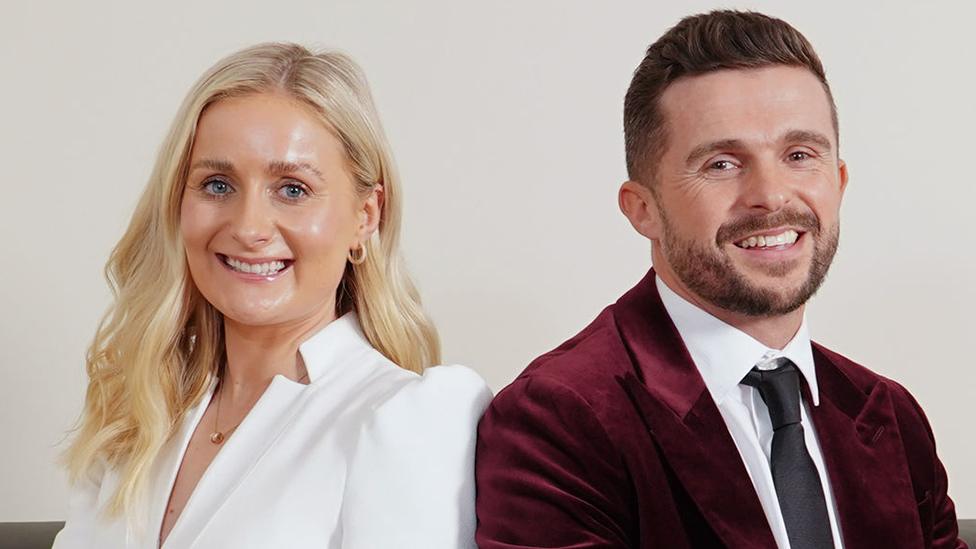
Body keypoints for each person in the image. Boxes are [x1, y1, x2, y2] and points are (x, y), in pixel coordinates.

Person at [475, 10, 966, 549]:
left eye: (800, 155)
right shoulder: (558, 420)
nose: (773, 195)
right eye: (722, 164)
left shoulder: (890, 413)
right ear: (643, 210)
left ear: (840, 182)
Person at [54, 42, 491, 549]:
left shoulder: (405, 416)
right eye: (217, 185)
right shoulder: (137, 413)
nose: (249, 227)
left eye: (293, 189)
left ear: (365, 216)